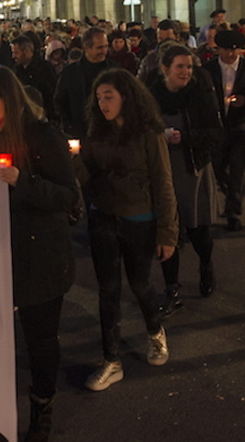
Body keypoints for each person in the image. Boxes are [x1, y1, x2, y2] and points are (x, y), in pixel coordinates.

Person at [0, 66, 78, 441]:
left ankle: (41, 406)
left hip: (40, 256)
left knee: (40, 339)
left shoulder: (43, 136)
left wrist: (22, 180)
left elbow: (67, 196)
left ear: (7, 101)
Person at [78, 68, 178, 391]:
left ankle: (155, 332)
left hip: (139, 218)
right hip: (103, 216)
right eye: (99, 97)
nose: (103, 103)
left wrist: (167, 232)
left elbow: (163, 183)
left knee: (139, 283)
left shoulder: (149, 132)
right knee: (108, 289)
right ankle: (112, 360)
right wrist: (71, 160)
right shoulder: (96, 130)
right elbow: (86, 173)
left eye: (109, 96)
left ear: (126, 97)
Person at [149, 45, 223, 315]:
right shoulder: (151, 93)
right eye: (180, 66)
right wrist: (159, 134)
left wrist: (185, 136)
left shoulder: (199, 93)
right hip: (162, 171)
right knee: (168, 229)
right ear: (165, 68)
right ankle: (172, 288)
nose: (186, 72)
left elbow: (216, 132)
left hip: (191, 169)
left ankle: (206, 265)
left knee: (197, 229)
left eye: (189, 67)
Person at [203, 31, 245, 231]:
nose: (231, 54)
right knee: (217, 169)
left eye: (235, 49)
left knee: (239, 171)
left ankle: (233, 212)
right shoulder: (208, 70)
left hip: (240, 128)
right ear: (218, 49)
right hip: (217, 128)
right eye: (227, 49)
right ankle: (230, 197)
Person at [53, 27, 112, 139]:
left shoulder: (114, 70)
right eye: (99, 47)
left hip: (109, 132)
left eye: (106, 46)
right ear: (86, 47)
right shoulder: (71, 72)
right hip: (80, 131)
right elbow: (60, 100)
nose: (104, 51)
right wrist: (69, 124)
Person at [11, 34, 58, 121]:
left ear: (26, 52)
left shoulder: (44, 68)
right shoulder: (17, 69)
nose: (13, 56)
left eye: (16, 53)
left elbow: (52, 93)